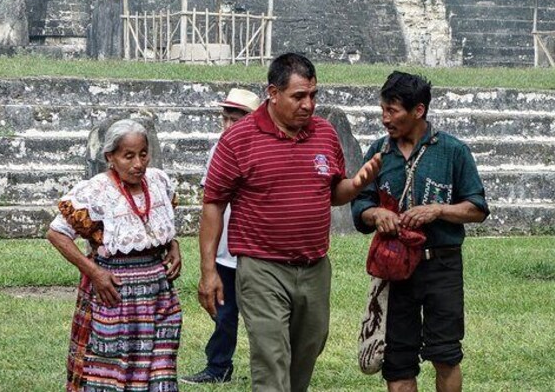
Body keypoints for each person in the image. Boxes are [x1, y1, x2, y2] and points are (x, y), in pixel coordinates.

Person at [198, 52, 382, 392]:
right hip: (261, 267)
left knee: (309, 348)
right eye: (299, 96)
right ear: (273, 93)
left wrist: (356, 185)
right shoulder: (238, 139)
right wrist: (209, 272)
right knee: (271, 356)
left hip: (314, 267)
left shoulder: (325, 134)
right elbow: (213, 204)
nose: (308, 104)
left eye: (313, 95)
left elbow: (333, 193)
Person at [351, 71, 489, 392]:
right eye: (382, 109)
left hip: (442, 266)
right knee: (397, 361)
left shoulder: (453, 151)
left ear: (418, 111)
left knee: (446, 355)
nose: (385, 118)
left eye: (393, 111)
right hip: (394, 271)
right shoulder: (378, 152)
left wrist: (438, 210)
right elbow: (360, 205)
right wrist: (377, 214)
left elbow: (477, 208)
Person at [47, 119, 182, 392]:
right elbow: (56, 233)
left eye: (143, 154)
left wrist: (173, 245)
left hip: (157, 294)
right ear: (111, 157)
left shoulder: (158, 182)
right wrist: (94, 272)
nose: (138, 163)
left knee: (160, 367)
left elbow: (160, 225)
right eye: (128, 156)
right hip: (115, 294)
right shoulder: (97, 190)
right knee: (112, 366)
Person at [182, 87, 262, 385]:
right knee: (223, 314)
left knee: (264, 317)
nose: (228, 126)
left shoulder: (264, 149)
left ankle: (269, 370)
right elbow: (210, 203)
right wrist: (210, 257)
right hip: (226, 250)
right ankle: (218, 366)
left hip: (257, 251)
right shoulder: (219, 150)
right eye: (225, 119)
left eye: (236, 120)